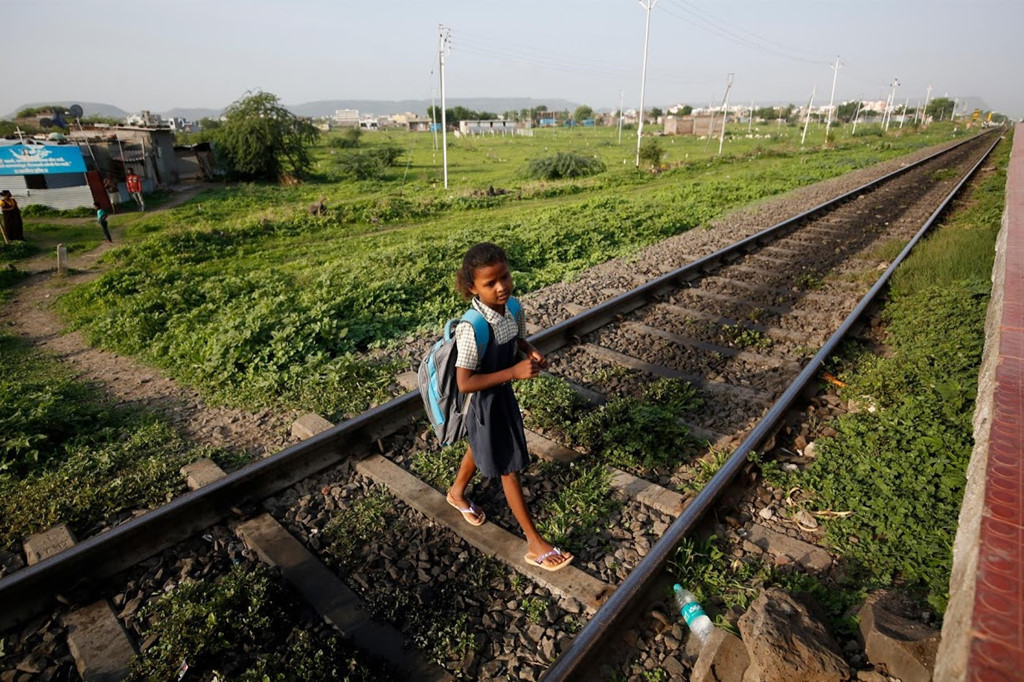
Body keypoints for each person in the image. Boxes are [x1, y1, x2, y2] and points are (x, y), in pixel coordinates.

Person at [448, 242, 574, 572]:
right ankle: (534, 543)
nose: (501, 287)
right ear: (472, 287)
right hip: (482, 401)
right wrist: (514, 372)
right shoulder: (471, 327)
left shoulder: (513, 307)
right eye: (490, 283)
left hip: (501, 393)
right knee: (509, 466)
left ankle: (457, 493)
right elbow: (465, 383)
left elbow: (515, 340)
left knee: (480, 442)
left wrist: (529, 351)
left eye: (504, 277)